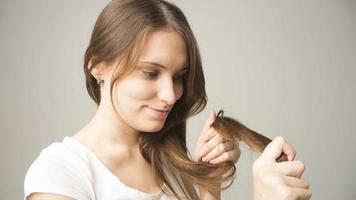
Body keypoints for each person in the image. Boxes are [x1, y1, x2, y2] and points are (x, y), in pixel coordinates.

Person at [24, 0, 311, 200]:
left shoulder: (174, 164)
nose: (171, 95)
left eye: (179, 76)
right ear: (98, 66)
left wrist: (208, 186)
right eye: (151, 73)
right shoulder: (61, 172)